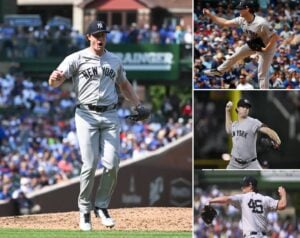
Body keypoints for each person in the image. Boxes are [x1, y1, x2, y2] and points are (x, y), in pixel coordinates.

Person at [48, 20, 150, 231]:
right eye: (97, 34)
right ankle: (84, 211)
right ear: (89, 37)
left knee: (112, 164)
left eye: (103, 34)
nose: (100, 38)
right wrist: (54, 79)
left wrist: (138, 104)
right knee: (90, 163)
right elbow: (55, 81)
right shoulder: (76, 57)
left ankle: (101, 206)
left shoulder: (114, 60)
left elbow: (124, 84)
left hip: (110, 114)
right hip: (85, 114)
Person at [203, 0, 279, 89]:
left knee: (262, 73)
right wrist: (210, 15)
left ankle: (264, 91)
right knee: (236, 54)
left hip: (268, 47)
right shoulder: (241, 19)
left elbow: (275, 37)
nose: (238, 11)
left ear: (247, 9)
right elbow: (224, 22)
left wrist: (266, 49)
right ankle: (219, 71)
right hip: (255, 43)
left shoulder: (261, 22)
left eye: (240, 9)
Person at [208, 176, 287, 237]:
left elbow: (226, 199)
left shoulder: (243, 198)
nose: (242, 187)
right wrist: (283, 194)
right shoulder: (265, 199)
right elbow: (282, 205)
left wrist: (211, 201)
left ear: (250, 185)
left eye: (244, 185)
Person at [225, 98, 281, 169]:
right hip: (234, 163)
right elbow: (228, 129)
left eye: (247, 107)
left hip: (250, 164)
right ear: (237, 109)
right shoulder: (234, 124)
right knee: (225, 179)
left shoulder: (253, 122)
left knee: (263, 178)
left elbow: (267, 130)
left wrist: (277, 139)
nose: (245, 109)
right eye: (243, 107)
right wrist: (227, 111)